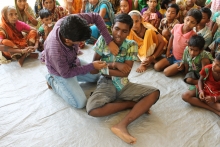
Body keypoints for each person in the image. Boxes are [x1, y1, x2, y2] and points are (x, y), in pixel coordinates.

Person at [86, 13, 160, 144]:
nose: (119, 34)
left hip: (124, 84)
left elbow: (124, 74)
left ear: (129, 32)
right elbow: (93, 69)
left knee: (154, 93)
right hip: (105, 82)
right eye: (117, 29)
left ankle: (122, 125)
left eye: (124, 31)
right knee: (92, 109)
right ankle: (130, 104)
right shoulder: (103, 40)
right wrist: (115, 65)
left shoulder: (131, 45)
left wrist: (108, 66)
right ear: (112, 27)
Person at [41, 12, 120, 109]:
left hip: (72, 62)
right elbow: (66, 73)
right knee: (80, 103)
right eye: (80, 41)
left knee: (97, 77)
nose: (81, 43)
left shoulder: (72, 21)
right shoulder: (56, 51)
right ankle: (51, 80)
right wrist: (91, 66)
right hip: (60, 72)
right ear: (68, 40)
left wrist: (109, 41)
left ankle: (73, 79)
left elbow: (96, 17)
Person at [154, 9, 202, 77]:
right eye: (187, 20)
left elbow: (191, 52)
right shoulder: (177, 26)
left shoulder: (193, 35)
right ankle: (172, 65)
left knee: (166, 72)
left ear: (196, 24)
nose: (188, 23)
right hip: (172, 55)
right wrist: (168, 50)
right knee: (156, 67)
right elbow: (171, 37)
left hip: (181, 60)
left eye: (192, 22)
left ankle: (180, 67)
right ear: (184, 18)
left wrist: (184, 62)